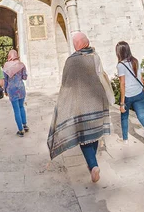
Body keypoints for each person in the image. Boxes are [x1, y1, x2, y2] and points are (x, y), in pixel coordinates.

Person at [48, 32, 114, 183]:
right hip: (97, 100)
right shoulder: (95, 56)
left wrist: (63, 102)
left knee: (83, 136)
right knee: (95, 133)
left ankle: (93, 166)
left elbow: (67, 84)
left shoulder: (71, 61)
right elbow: (101, 76)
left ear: (76, 44)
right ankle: (92, 162)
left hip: (80, 103)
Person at [115, 41, 144, 153]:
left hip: (128, 96)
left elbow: (122, 84)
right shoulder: (135, 61)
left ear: (119, 52)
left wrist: (121, 103)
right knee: (142, 117)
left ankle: (125, 140)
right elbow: (141, 78)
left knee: (124, 117)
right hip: (139, 94)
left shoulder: (120, 65)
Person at [3, 49, 29, 137]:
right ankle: (25, 125)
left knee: (16, 109)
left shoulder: (6, 66)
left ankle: (20, 130)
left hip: (12, 89)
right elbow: (25, 77)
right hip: (21, 88)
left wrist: (5, 90)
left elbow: (5, 80)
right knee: (21, 107)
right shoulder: (21, 65)